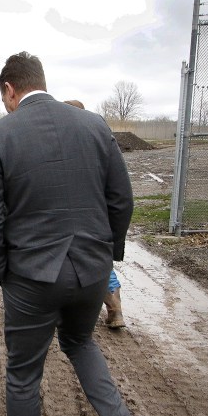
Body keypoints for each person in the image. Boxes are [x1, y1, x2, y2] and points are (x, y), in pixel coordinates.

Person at [0, 52, 143, 416]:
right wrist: (108, 254)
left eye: (4, 98)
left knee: (24, 376)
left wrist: (5, 271)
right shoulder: (94, 126)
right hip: (91, 268)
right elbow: (121, 200)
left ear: (10, 90)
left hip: (32, 274)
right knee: (81, 342)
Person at [64, 99, 127, 329]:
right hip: (98, 217)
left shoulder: (65, 144)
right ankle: (115, 310)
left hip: (75, 216)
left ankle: (70, 312)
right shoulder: (97, 139)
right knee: (101, 264)